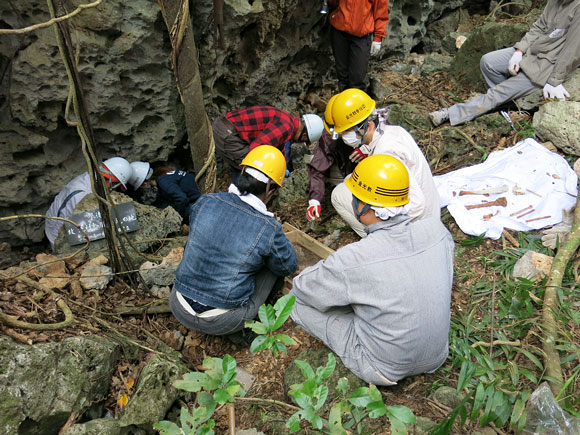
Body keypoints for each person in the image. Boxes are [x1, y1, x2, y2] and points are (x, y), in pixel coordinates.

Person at [291, 155, 454, 385]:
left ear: (363, 205)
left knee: (294, 303)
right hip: (437, 355)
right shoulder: (437, 231)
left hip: (383, 367)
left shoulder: (354, 258)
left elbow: (302, 289)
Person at [170, 145, 298, 346]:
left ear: (242, 175)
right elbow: (288, 265)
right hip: (223, 321)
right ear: (271, 190)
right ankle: (250, 328)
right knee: (275, 266)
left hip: (178, 304)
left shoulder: (206, 201)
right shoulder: (268, 227)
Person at [429, 0, 580, 127]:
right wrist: (519, 51)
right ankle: (509, 103)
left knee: (496, 93)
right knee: (488, 62)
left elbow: (573, 49)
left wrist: (555, 80)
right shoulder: (555, 1)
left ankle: (451, 113)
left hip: (546, 66)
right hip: (531, 52)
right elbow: (539, 27)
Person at [326, 88, 440, 237]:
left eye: (346, 132)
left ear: (367, 125)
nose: (343, 137)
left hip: (418, 228)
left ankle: (378, 241)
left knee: (339, 194)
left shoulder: (387, 152)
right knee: (351, 181)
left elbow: (417, 205)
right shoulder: (394, 131)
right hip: (430, 219)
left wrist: (381, 220)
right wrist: (368, 149)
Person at [44, 157, 134, 248]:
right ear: (110, 180)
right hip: (57, 235)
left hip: (60, 223)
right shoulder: (81, 195)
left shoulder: (91, 177)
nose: (114, 189)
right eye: (115, 185)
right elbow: (84, 226)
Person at [212, 106, 324, 176]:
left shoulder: (287, 120)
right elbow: (256, 149)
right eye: (305, 141)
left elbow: (279, 147)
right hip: (227, 133)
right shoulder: (286, 127)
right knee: (252, 169)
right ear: (304, 135)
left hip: (226, 127)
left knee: (245, 168)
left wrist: (282, 167)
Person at [327, 0, 389, 91]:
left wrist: (378, 38)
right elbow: (333, 3)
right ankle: (344, 103)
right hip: (339, 31)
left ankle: (357, 104)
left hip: (361, 36)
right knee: (343, 76)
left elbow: (381, 11)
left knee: (358, 79)